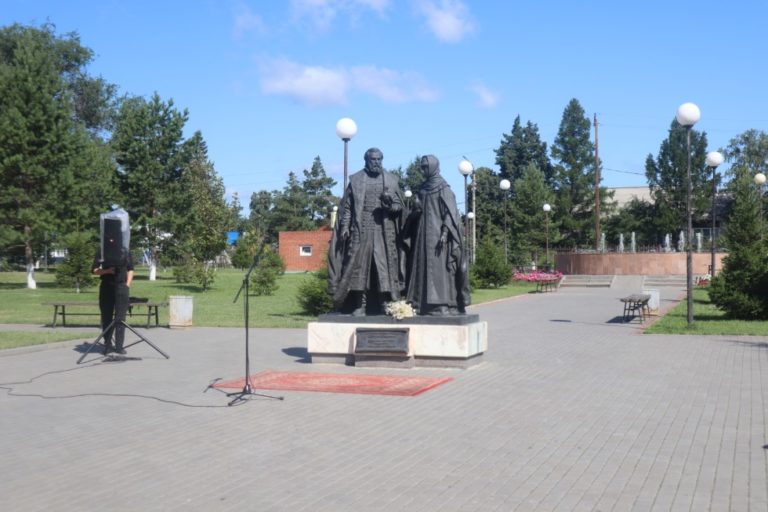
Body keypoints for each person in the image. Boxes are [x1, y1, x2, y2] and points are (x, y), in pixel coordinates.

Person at [328, 147, 406, 315]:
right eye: (373, 159)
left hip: (383, 233)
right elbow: (348, 207)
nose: (376, 162)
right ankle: (360, 305)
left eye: (379, 159)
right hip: (361, 230)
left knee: (382, 268)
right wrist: (345, 227)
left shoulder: (391, 180)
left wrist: (388, 205)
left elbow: (399, 207)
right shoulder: (356, 180)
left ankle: (385, 304)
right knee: (359, 268)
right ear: (366, 161)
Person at [404, 154, 469, 315]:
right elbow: (416, 211)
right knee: (421, 268)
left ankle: (442, 305)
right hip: (422, 235)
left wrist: (445, 232)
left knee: (439, 270)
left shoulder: (443, 188)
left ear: (433, 166)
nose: (423, 170)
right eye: (422, 167)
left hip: (438, 236)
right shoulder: (423, 188)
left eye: (426, 167)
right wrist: (415, 209)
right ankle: (420, 304)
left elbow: (450, 212)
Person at [92, 248, 134, 354]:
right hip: (106, 287)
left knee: (120, 318)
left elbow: (130, 269)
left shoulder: (125, 250)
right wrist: (107, 271)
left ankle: (119, 346)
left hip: (122, 286)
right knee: (106, 317)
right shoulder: (102, 250)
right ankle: (108, 344)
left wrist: (127, 285)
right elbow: (94, 270)